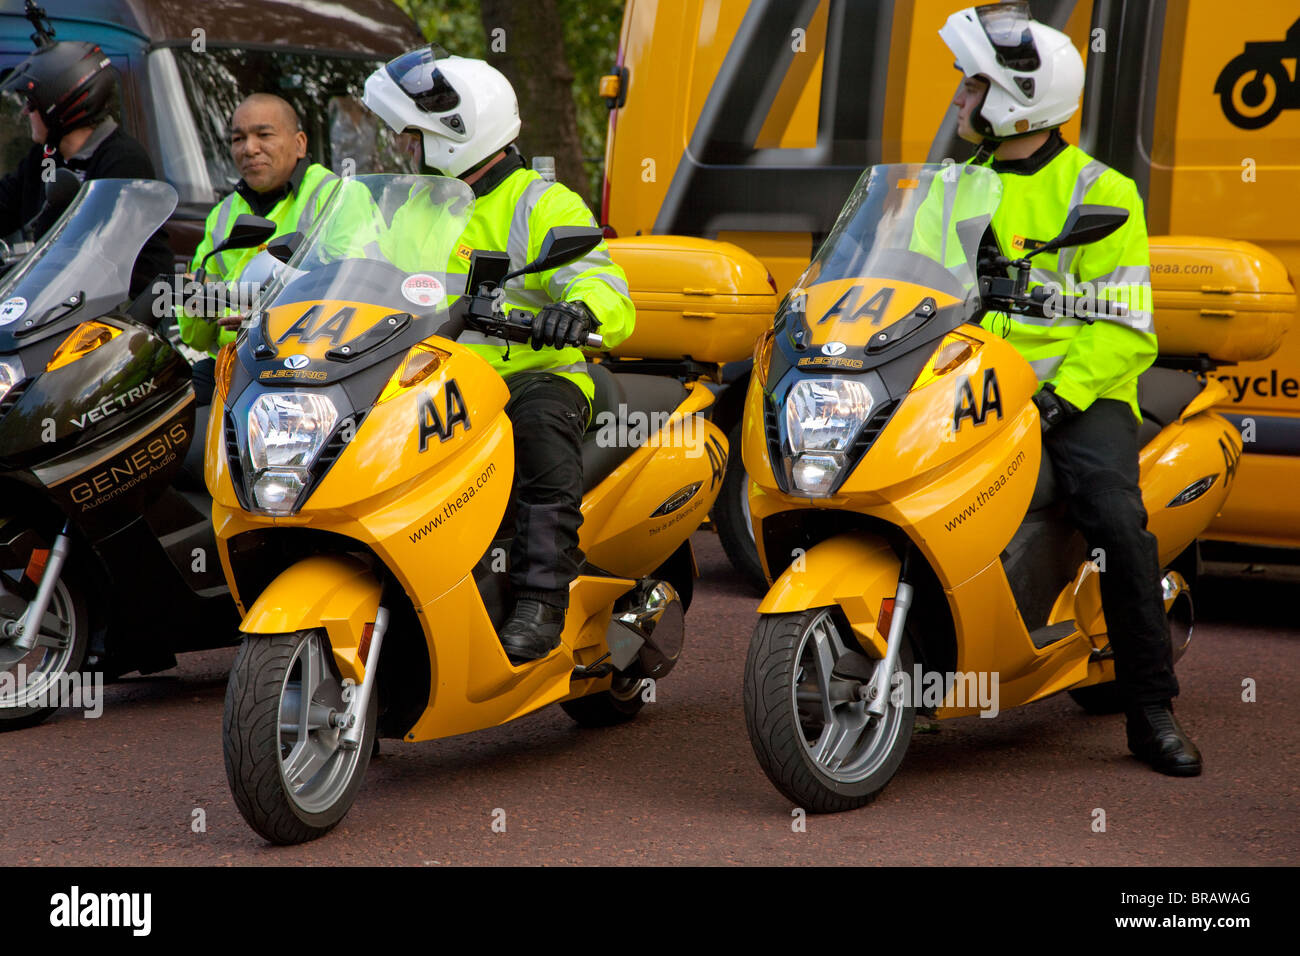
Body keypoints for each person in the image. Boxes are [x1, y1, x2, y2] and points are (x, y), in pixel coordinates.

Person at [939, 2, 1200, 775]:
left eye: (970, 85)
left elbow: (1123, 327)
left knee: (1118, 523)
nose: (959, 99)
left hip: (1080, 393)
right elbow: (911, 285)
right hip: (971, 384)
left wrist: (1060, 397)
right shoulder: (951, 187)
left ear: (1016, 99)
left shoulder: (1103, 192)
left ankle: (1149, 707)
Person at [363, 46, 635, 664]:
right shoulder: (414, 204)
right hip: (427, 379)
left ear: (455, 135)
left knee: (538, 427)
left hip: (531, 376)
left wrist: (578, 313)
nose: (403, 151)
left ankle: (542, 598)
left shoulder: (542, 203)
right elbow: (360, 270)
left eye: (412, 137)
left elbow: (606, 288)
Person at [181, 93, 343, 404]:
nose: (249, 148)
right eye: (238, 138)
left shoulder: (336, 196)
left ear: (299, 143)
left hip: (310, 362)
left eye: (264, 135)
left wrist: (266, 318)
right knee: (168, 402)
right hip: (235, 362)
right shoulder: (222, 214)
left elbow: (352, 286)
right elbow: (195, 336)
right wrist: (196, 301)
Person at [0, 40, 171, 296]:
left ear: (60, 105)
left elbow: (104, 252)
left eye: (32, 104)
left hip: (109, 312)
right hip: (47, 303)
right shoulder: (47, 156)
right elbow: (5, 202)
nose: (25, 112)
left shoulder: (122, 160)